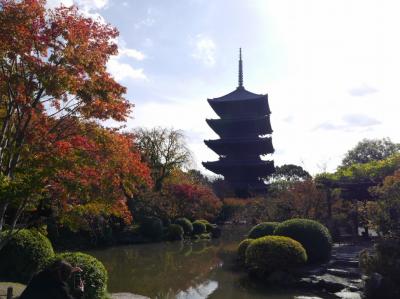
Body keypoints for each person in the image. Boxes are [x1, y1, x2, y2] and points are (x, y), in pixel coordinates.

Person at [19, 259, 84, 299]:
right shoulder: (59, 288)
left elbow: (58, 270)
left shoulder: (39, 275)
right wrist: (80, 291)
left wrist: (69, 269)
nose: (69, 276)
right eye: (68, 274)